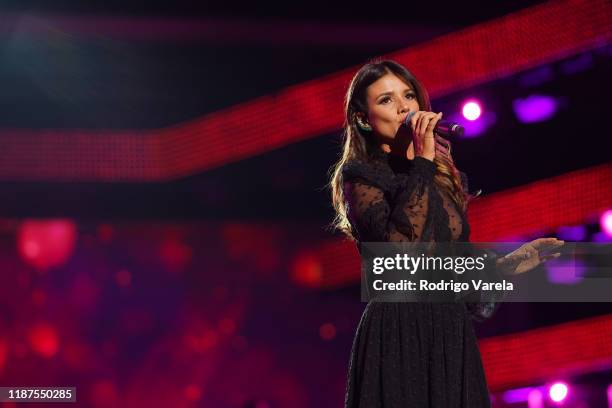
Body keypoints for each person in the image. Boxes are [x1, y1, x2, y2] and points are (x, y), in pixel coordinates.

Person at [328, 59, 564, 407]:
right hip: (398, 333)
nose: (403, 106)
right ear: (363, 119)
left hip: (450, 334)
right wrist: (422, 160)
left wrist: (506, 266)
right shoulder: (361, 177)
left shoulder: (441, 176)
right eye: (386, 100)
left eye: (408, 95)